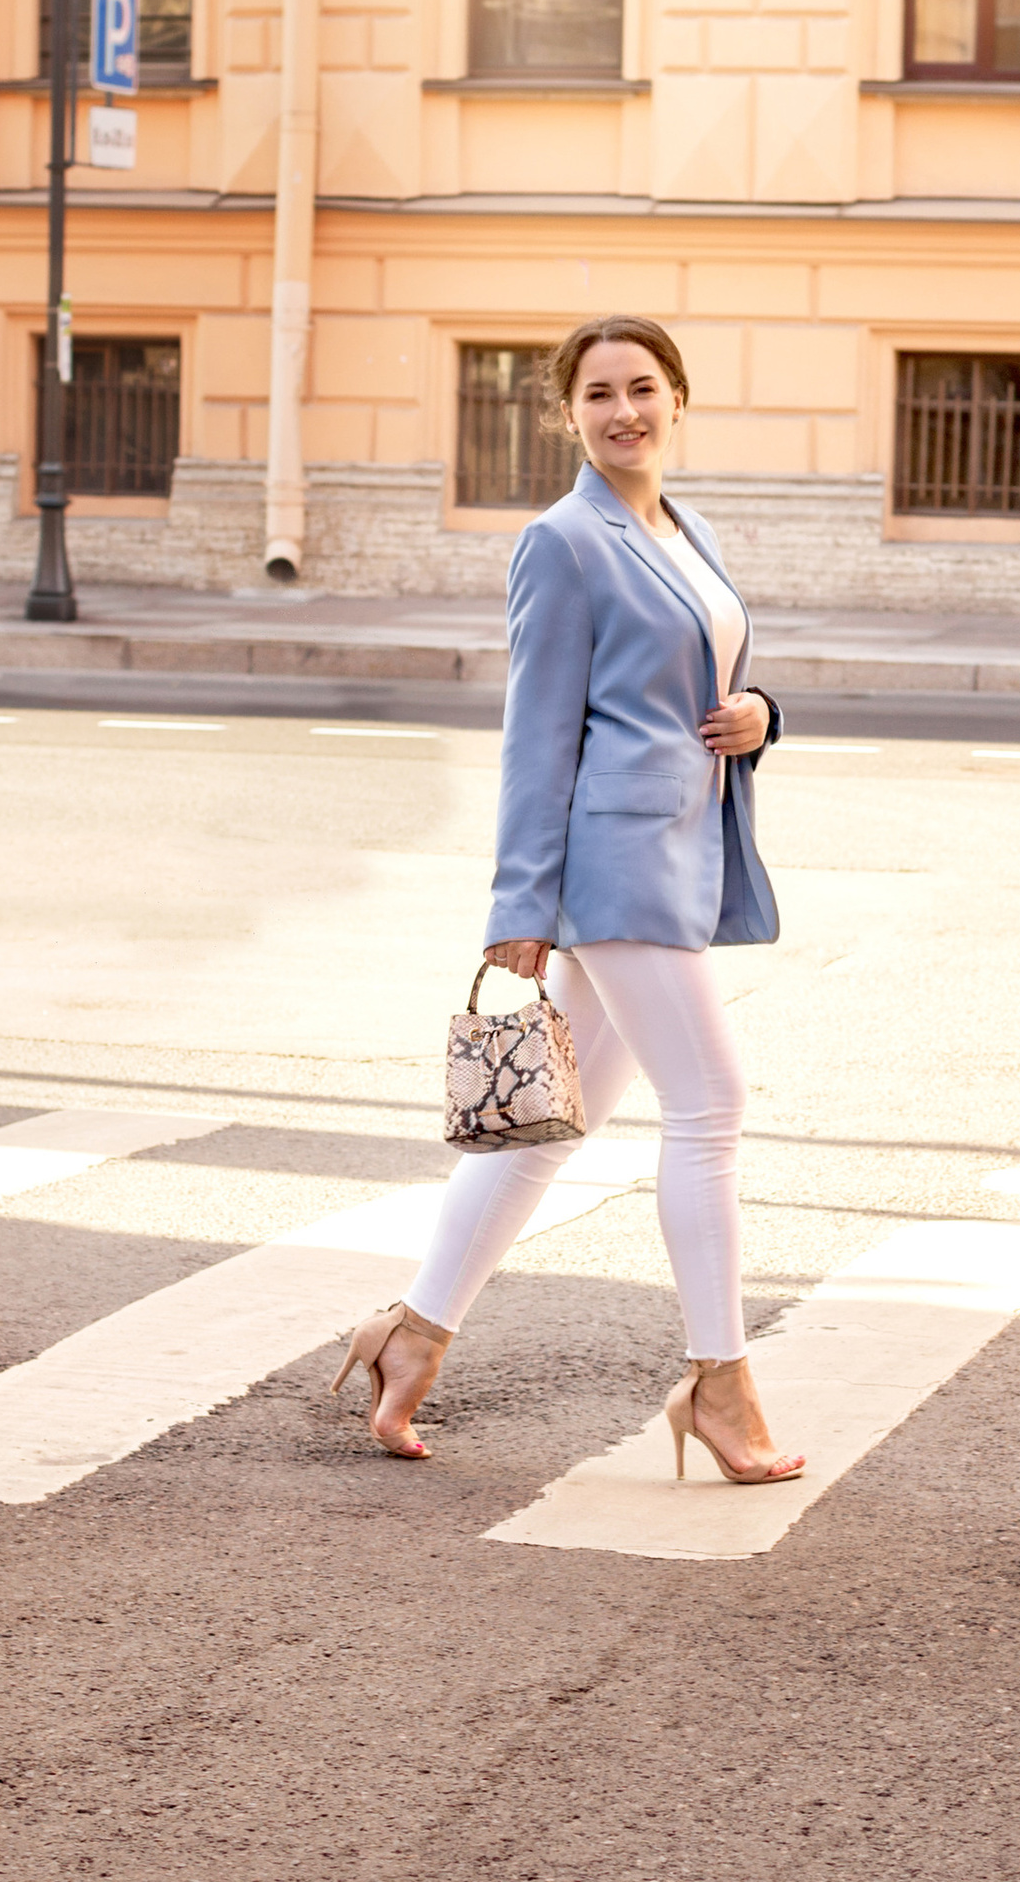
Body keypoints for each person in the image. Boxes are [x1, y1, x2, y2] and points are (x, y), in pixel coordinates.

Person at [331, 313, 805, 1485]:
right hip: (614, 863)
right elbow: (534, 734)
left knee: (551, 1122)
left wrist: (762, 717)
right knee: (712, 1102)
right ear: (568, 414)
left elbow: (706, 676)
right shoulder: (561, 541)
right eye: (598, 395)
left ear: (678, 399)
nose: (624, 411)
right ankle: (720, 1384)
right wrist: (520, 904)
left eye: (643, 388)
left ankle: (411, 1333)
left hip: (680, 848)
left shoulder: (680, 527)